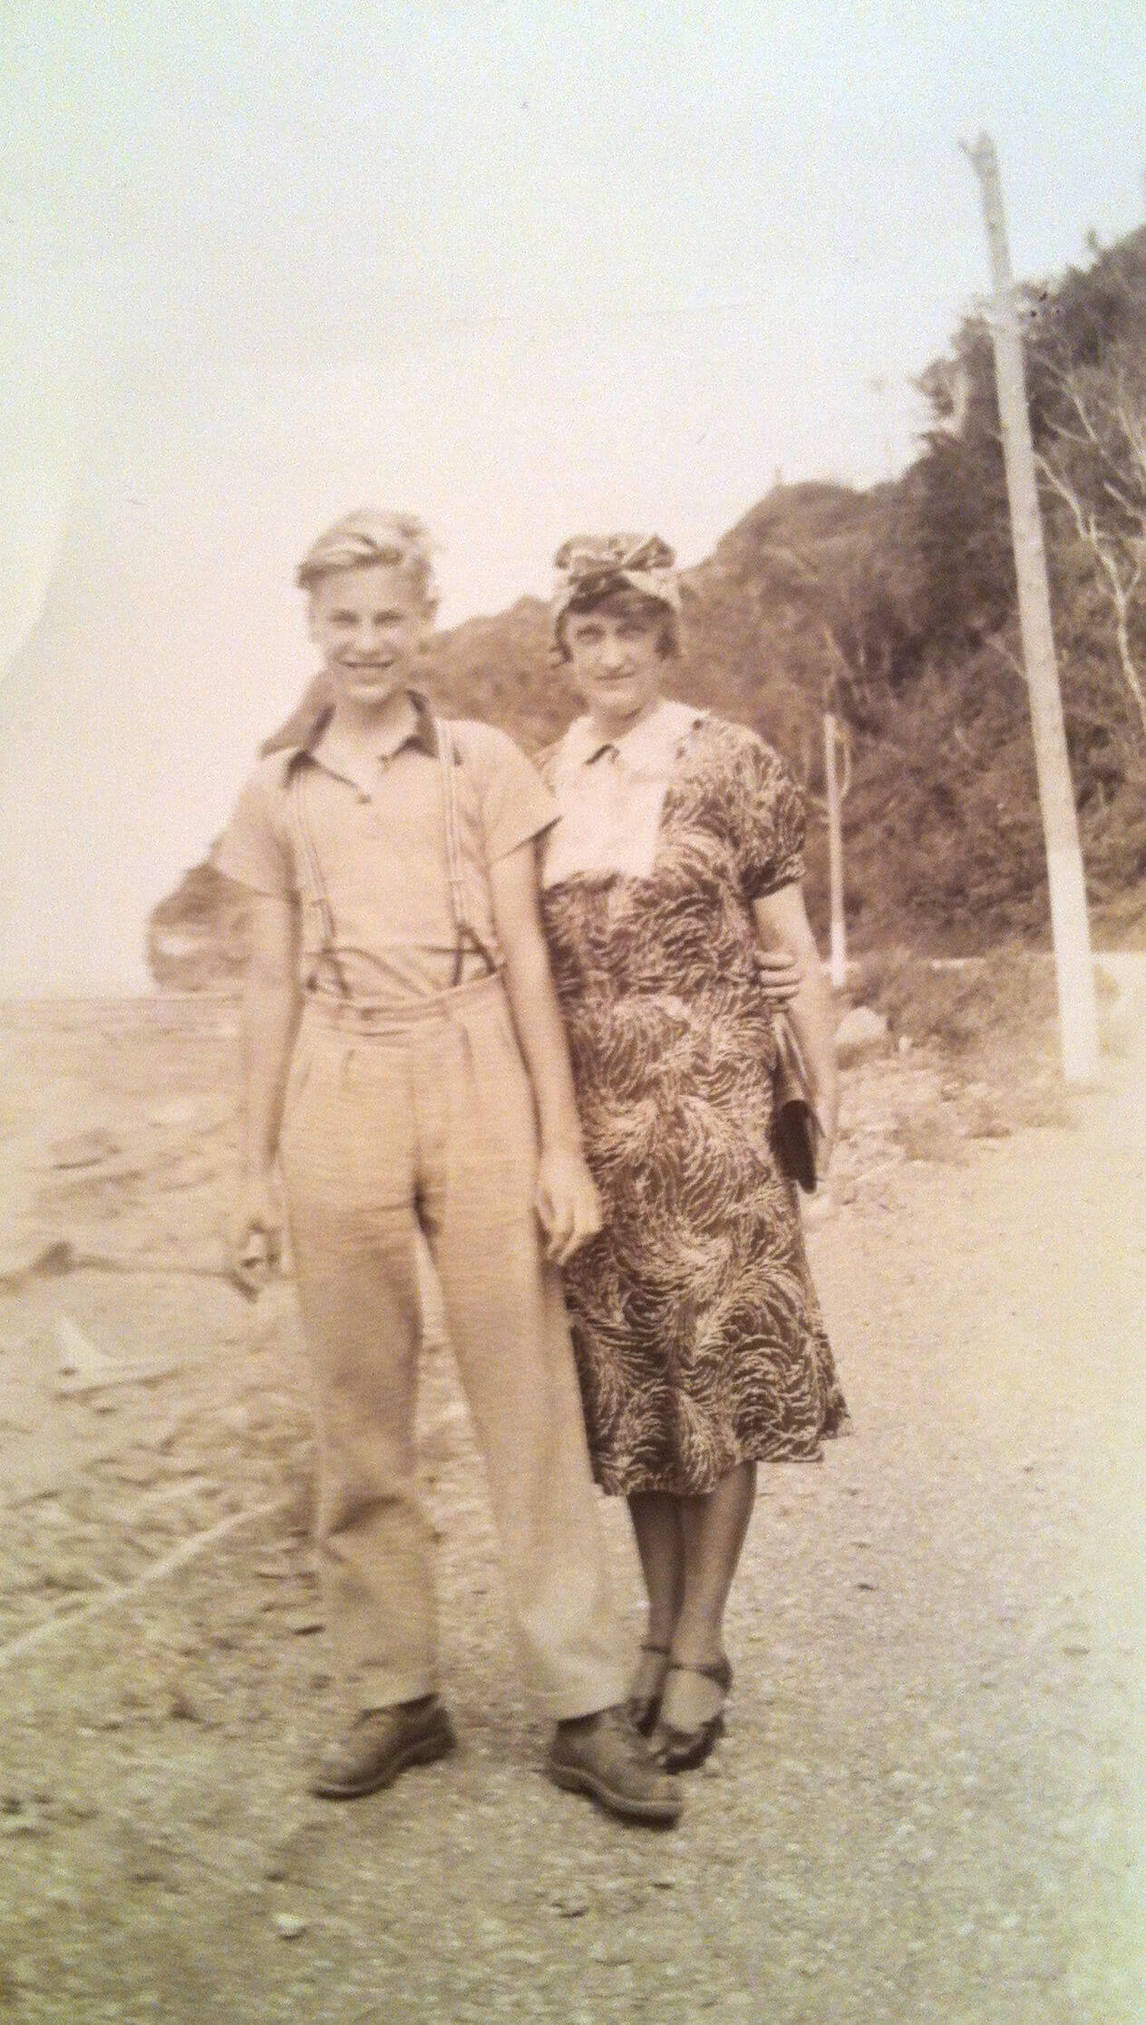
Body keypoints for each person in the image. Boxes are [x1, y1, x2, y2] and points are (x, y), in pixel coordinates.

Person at [215, 509, 681, 1826]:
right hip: (338, 1085)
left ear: (424, 623)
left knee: (524, 1397)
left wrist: (556, 1143)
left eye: (389, 617)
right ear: (315, 627)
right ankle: (396, 1691)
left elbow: (532, 960)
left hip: (475, 1060)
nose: (367, 642)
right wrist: (248, 1171)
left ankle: (584, 1707)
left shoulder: (480, 764)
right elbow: (263, 982)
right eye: (343, 619)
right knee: (356, 1407)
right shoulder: (275, 786)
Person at [536, 533, 850, 1771]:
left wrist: (824, 1088)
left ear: (666, 640)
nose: (612, 654)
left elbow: (792, 944)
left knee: (719, 1381)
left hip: (714, 1124)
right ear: (565, 653)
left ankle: (704, 1644)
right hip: (596, 1137)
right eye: (589, 634)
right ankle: (657, 1636)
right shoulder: (540, 781)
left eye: (632, 631)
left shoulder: (731, 763)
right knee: (636, 1393)